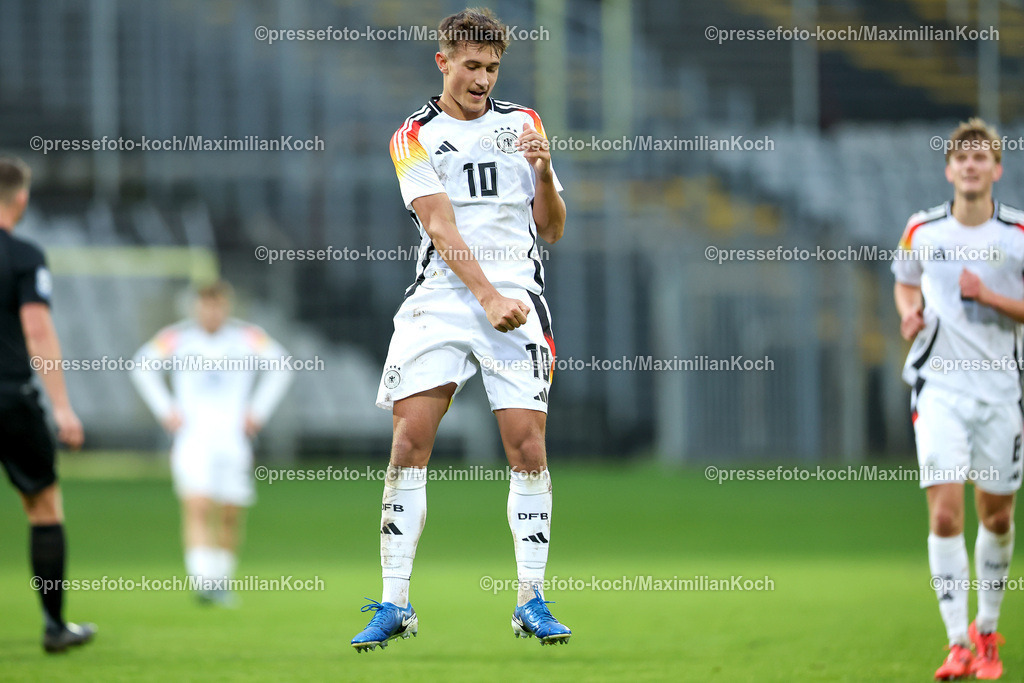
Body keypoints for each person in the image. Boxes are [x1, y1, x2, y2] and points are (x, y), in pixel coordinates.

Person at [351, 7, 570, 652]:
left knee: (527, 448)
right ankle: (394, 604)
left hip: (518, 298)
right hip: (444, 299)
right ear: (442, 62)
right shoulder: (413, 138)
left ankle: (530, 599)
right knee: (408, 442)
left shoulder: (523, 124)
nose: (482, 78)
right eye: (471, 65)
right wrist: (486, 296)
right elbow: (440, 229)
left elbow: (552, 228)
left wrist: (545, 172)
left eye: (493, 67)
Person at [893, 118, 1023, 680]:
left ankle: (987, 630)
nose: (970, 167)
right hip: (940, 388)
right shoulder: (923, 230)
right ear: (949, 169)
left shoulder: (1017, 234)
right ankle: (956, 644)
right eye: (961, 159)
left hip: (1000, 390)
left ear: (996, 169)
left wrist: (988, 296)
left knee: (995, 516)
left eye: (981, 159)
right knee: (944, 515)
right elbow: (905, 280)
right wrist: (908, 314)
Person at [131, 280, 292, 605]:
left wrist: (257, 411)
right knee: (198, 505)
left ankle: (222, 580)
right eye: (206, 305)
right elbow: (141, 365)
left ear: (226, 307)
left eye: (217, 305)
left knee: (230, 511)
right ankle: (202, 580)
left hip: (233, 438)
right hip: (194, 438)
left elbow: (283, 365)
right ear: (196, 307)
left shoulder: (246, 337)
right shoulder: (178, 338)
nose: (211, 312)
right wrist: (166, 410)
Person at [0, 155, 95, 652]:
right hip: (10, 398)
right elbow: (37, 330)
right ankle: (56, 627)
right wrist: (61, 407)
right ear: (22, 198)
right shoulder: (23, 255)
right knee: (43, 507)